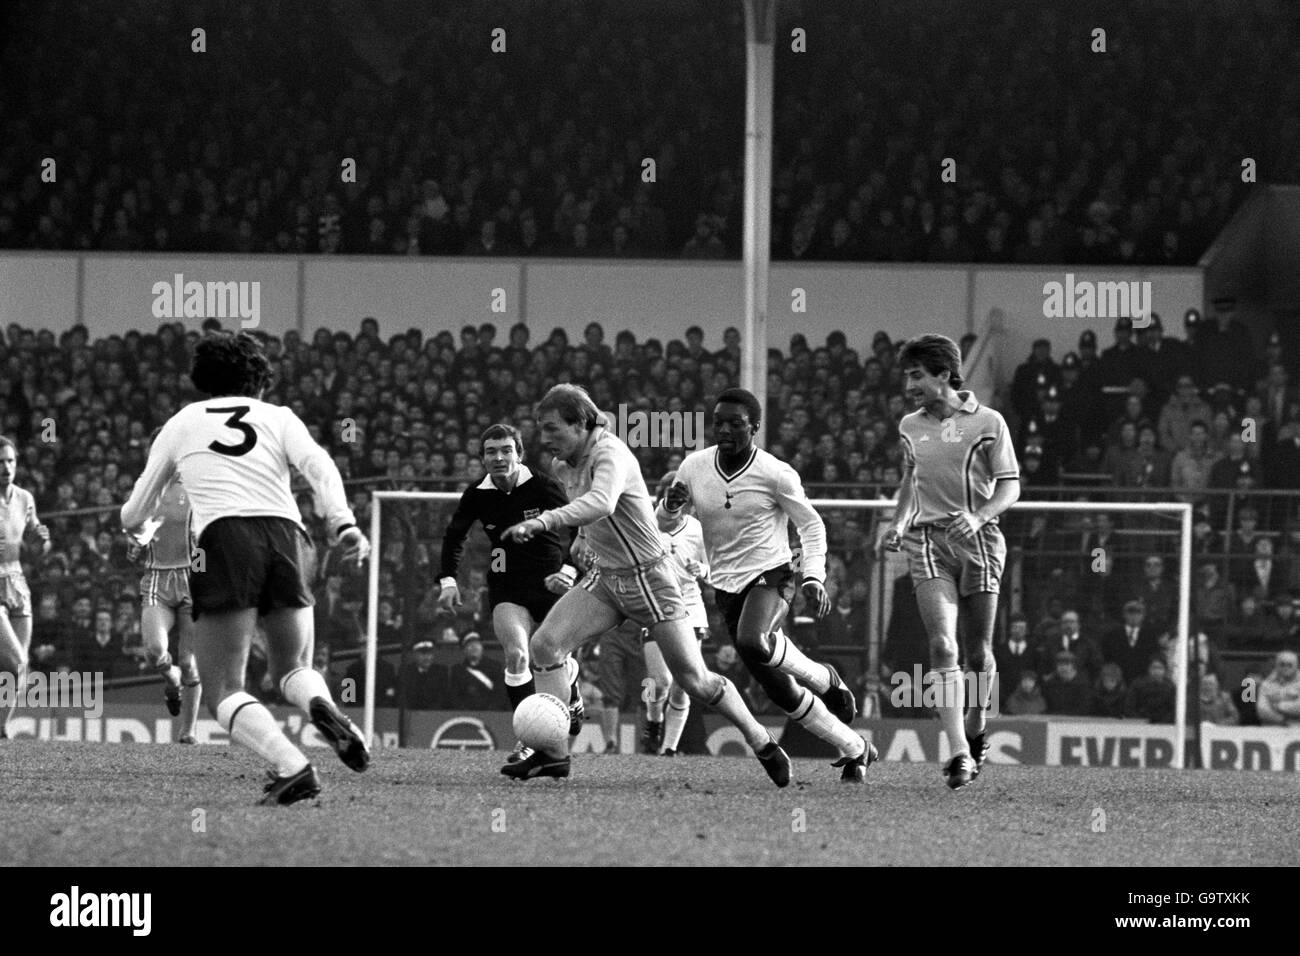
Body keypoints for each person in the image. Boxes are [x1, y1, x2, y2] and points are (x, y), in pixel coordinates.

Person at [121, 331, 371, 805]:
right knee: (292, 666)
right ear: (259, 382)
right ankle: (320, 703)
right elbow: (318, 465)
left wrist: (135, 526)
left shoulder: (182, 422)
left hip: (225, 540)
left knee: (223, 688)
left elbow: (135, 510)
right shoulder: (279, 417)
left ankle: (293, 765)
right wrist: (344, 525)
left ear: (203, 380)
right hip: (288, 536)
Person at [498, 384, 791, 785]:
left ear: (581, 424)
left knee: (693, 679)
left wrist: (543, 521)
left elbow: (602, 501)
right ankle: (554, 756)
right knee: (545, 646)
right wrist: (582, 539)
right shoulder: (564, 464)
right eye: (541, 430)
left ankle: (762, 741)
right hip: (607, 578)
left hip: (650, 578)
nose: (544, 439)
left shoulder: (611, 453)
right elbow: (592, 515)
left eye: (552, 429)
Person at [659, 388, 872, 782]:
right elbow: (665, 526)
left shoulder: (776, 472)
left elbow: (811, 525)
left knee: (753, 640)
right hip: (726, 587)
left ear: (754, 428)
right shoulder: (693, 467)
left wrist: (813, 575)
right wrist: (670, 506)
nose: (724, 430)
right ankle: (855, 746)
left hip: (773, 575)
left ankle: (824, 679)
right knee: (782, 693)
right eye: (718, 422)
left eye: (735, 424)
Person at [884, 334, 1021, 789]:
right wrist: (900, 521)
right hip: (926, 542)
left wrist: (980, 515)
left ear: (944, 374)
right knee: (944, 647)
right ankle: (959, 752)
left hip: (979, 541)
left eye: (916, 375)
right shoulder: (910, 426)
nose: (909, 384)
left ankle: (978, 729)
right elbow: (910, 478)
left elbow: (1010, 486)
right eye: (907, 376)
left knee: (979, 654)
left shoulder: (988, 422)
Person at [436, 423, 581, 762]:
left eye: (506, 450)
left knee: (554, 659)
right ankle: (527, 739)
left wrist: (570, 570)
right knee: (517, 655)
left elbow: (580, 526)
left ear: (519, 454)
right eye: (491, 451)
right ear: (482, 458)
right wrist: (447, 581)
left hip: (551, 586)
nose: (498, 457)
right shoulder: (477, 494)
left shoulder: (544, 486)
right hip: (506, 588)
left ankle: (571, 687)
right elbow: (454, 536)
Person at [126, 460, 202, 744]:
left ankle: (188, 732)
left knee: (189, 661)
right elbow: (136, 535)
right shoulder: (144, 490)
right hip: (158, 579)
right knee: (155, 651)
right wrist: (134, 547)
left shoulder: (196, 485)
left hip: (191, 580)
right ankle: (172, 682)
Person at [641, 474, 710, 756]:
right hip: (655, 606)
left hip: (691, 610)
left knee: (684, 685)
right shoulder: (647, 525)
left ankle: (668, 749)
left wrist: (701, 570)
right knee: (658, 682)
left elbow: (714, 567)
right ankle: (653, 718)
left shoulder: (698, 530)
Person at [0, 436, 52, 739]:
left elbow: (37, 543)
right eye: (1, 462)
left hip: (18, 584)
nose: (6, 468)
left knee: (18, 667)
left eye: (10, 461)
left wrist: (41, 541)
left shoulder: (25, 498)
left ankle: (2, 728)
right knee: (15, 658)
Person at [1256, 650, 1300, 726]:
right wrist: (1282, 720)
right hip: (1271, 729)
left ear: (1296, 666)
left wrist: (1278, 706)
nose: (1286, 668)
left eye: (1290, 665)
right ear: (1276, 666)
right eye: (1282, 664)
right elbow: (1262, 710)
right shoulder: (1266, 684)